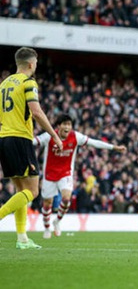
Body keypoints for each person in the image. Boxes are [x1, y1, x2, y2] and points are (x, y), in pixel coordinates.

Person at [0, 47, 63, 249]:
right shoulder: (28, 82)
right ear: (30, 64)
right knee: (33, 191)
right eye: (35, 62)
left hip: (4, 138)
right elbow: (36, 111)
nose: (36, 66)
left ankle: (22, 238)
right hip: (19, 139)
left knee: (21, 190)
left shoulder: (4, 84)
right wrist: (54, 134)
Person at [33, 113, 126, 239]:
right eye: (64, 124)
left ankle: (57, 222)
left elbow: (94, 142)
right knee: (47, 203)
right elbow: (33, 142)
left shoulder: (75, 136)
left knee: (66, 199)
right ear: (59, 126)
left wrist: (113, 147)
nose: (67, 127)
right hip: (49, 174)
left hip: (65, 173)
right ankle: (46, 227)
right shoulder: (49, 136)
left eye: (69, 124)